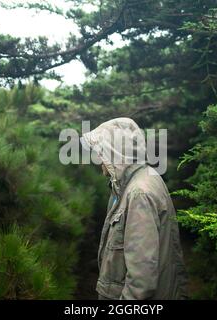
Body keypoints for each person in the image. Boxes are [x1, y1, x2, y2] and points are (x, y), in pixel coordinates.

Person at [80, 118, 188, 300]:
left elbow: (141, 282)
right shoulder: (141, 180)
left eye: (102, 152)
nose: (98, 159)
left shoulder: (138, 194)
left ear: (116, 152)